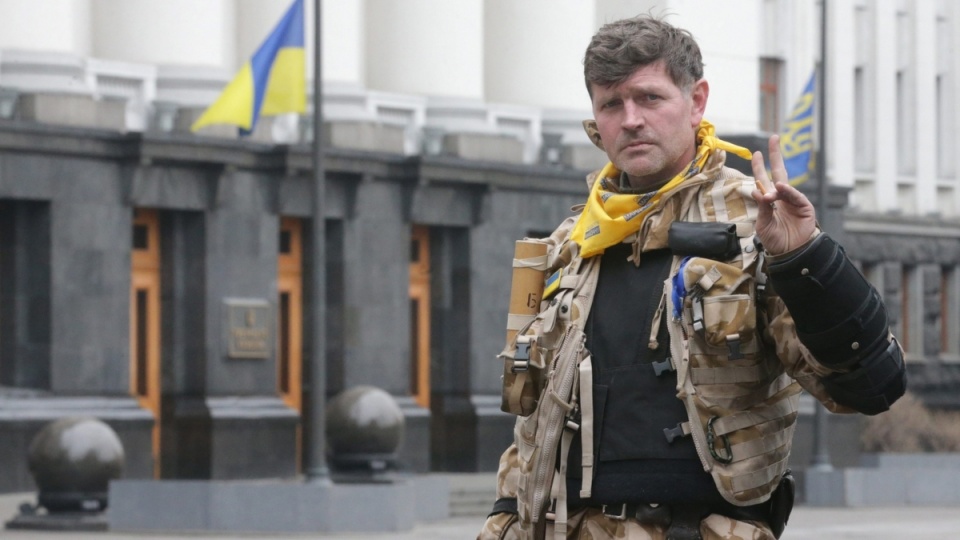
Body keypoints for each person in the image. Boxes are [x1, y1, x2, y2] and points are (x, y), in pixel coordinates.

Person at [479, 14, 906, 540]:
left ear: (696, 100)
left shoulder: (759, 222)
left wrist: (806, 259)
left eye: (649, 98)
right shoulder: (574, 242)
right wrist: (503, 521)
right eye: (611, 104)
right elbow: (534, 422)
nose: (630, 119)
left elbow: (870, 387)